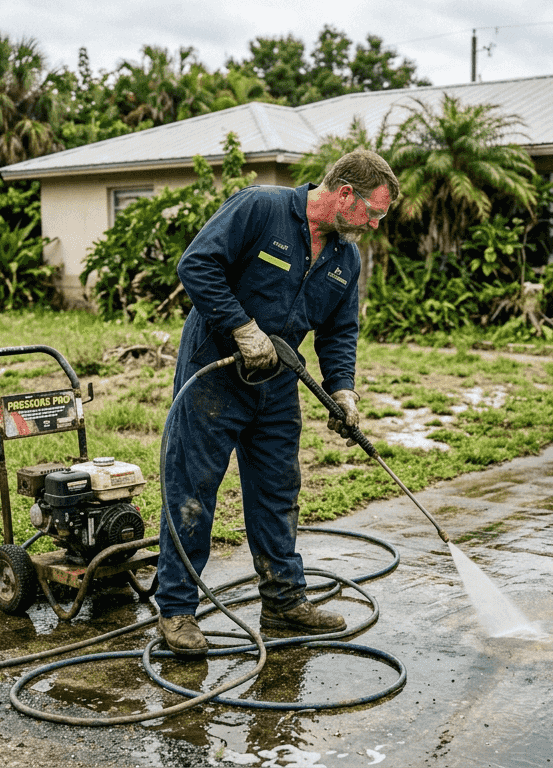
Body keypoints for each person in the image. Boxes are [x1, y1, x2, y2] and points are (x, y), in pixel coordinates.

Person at [155, 149, 398, 656]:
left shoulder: (343, 258)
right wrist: (242, 327)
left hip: (278, 384)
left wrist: (343, 389)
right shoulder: (259, 208)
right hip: (213, 375)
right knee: (192, 489)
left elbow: (339, 330)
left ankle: (284, 603)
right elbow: (197, 265)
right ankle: (177, 610)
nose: (373, 225)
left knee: (277, 492)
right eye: (371, 213)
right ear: (345, 194)